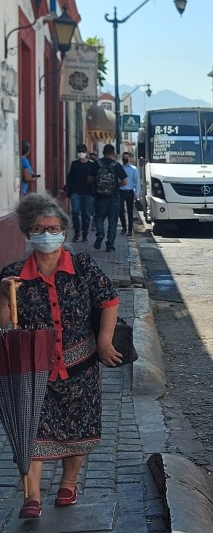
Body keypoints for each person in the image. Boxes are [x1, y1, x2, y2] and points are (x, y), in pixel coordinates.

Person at [0, 193, 122, 520]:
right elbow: (3, 325)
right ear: (28, 233)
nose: (48, 234)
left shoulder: (82, 265)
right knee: (30, 429)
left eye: (54, 228)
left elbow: (108, 300)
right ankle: (33, 495)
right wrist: (2, 296)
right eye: (40, 228)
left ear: (64, 232)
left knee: (76, 428)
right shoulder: (13, 275)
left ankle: (69, 483)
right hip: (32, 367)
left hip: (79, 365)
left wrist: (104, 340)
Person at [88, 144, 127, 252]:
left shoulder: (96, 164)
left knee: (99, 217)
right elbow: (124, 181)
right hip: (114, 197)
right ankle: (110, 245)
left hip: (99, 197)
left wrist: (97, 184)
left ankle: (100, 234)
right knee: (113, 221)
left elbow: (89, 179)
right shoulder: (116, 165)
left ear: (103, 152)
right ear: (113, 153)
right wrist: (115, 184)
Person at [65, 144, 93, 242]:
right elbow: (70, 178)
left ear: (86, 153)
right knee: (75, 212)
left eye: (83, 151)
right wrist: (68, 191)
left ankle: (85, 233)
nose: (81, 153)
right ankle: (77, 232)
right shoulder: (74, 164)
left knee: (86, 214)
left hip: (88, 193)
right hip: (75, 192)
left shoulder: (91, 165)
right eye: (79, 151)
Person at [118, 152, 140, 236]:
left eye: (126, 157)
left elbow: (137, 182)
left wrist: (137, 193)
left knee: (130, 211)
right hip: (120, 191)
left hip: (130, 191)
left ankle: (130, 230)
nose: (125, 159)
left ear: (129, 158)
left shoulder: (133, 169)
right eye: (124, 157)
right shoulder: (119, 168)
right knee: (120, 210)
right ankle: (124, 228)